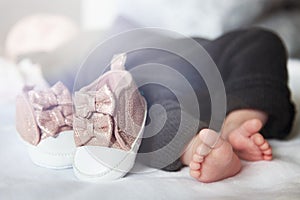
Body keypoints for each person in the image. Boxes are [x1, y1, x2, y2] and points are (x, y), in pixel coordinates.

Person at [11, 26, 295, 182]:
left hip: (204, 56)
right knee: (132, 109)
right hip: (148, 79)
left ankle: (238, 120)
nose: (37, 33)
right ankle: (192, 144)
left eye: (41, 27)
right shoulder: (67, 59)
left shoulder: (120, 22)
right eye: (26, 39)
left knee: (260, 40)